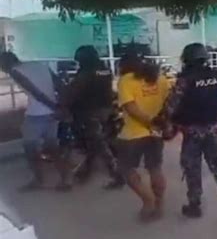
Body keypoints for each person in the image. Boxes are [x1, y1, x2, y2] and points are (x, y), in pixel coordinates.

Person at [157, 43, 217, 220]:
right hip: (213, 128)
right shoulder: (216, 76)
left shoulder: (185, 80)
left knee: (192, 168)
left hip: (192, 131)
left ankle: (194, 205)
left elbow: (172, 106)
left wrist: (162, 121)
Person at [0, 52, 71, 191]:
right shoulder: (39, 65)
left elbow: (35, 92)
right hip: (52, 114)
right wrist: (61, 106)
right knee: (53, 148)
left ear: (5, 63)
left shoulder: (15, 71)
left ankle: (39, 180)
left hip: (37, 114)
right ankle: (66, 179)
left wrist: (54, 107)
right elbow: (59, 84)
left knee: (29, 148)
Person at [61, 45, 124, 189]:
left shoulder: (86, 73)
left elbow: (74, 91)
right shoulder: (104, 69)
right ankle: (85, 171)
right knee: (97, 142)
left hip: (89, 112)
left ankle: (117, 174)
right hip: (106, 109)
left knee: (98, 144)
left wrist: (64, 104)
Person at [117, 51, 169, 221]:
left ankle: (148, 200)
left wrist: (149, 121)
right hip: (156, 132)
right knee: (155, 167)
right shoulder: (160, 79)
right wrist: (157, 123)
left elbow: (131, 108)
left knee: (126, 168)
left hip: (133, 133)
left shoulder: (126, 80)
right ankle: (159, 204)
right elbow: (168, 103)